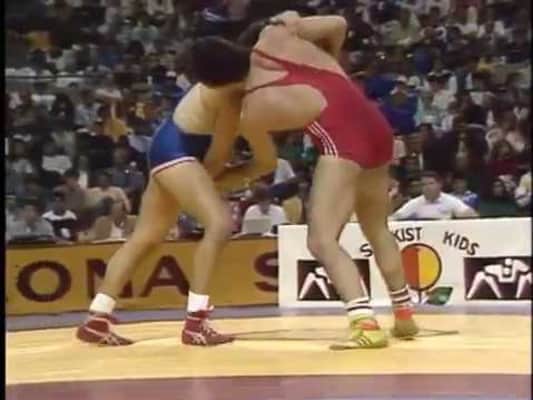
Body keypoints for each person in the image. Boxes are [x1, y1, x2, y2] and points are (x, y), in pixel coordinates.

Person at [187, 13, 419, 349]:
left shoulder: (253, 109)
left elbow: (264, 162)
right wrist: (331, 61)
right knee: (377, 228)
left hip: (343, 143)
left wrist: (212, 179)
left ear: (215, 83)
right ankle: (404, 315)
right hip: (376, 126)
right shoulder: (274, 35)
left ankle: (365, 324)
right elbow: (338, 24)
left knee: (322, 241)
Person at [76, 78, 276, 347]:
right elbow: (218, 158)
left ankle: (97, 318)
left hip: (171, 149)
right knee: (219, 224)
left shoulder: (248, 101)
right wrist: (214, 181)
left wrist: (225, 178)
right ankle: (196, 322)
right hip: (180, 151)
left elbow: (266, 162)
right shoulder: (231, 92)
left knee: (146, 238)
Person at [392, 171, 478, 220]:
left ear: (439, 184)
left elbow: (470, 214)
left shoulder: (450, 200)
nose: (427, 187)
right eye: (424, 184)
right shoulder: (415, 202)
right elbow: (396, 217)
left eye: (431, 183)